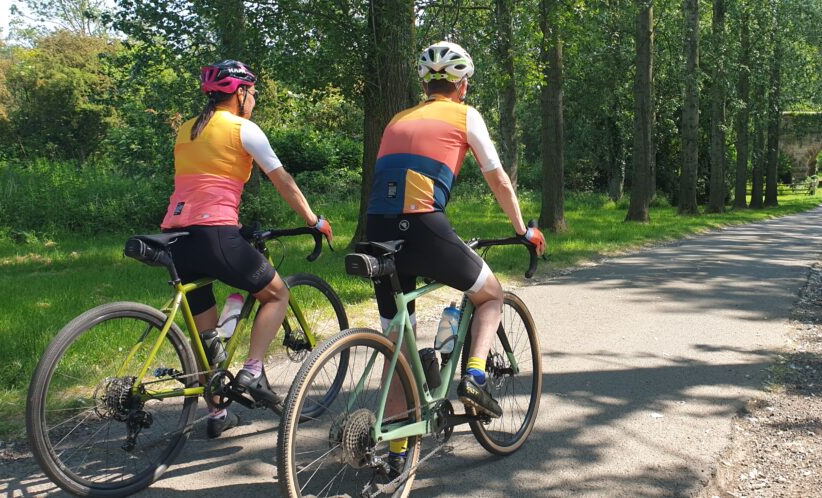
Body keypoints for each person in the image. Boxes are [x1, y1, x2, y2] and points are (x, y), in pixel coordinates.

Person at [365, 41, 546, 473]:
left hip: (377, 229)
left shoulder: (396, 119)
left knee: (396, 344)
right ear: (462, 86)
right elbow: (498, 178)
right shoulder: (466, 115)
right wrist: (523, 230)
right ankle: (476, 376)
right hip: (424, 225)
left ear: (425, 83)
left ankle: (395, 453)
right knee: (491, 295)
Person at [160, 60, 333, 438]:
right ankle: (253, 372)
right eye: (252, 92)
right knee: (276, 293)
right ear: (239, 93)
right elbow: (282, 180)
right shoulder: (244, 129)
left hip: (177, 238)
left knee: (206, 337)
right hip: (215, 234)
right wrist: (313, 220)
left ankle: (217, 414)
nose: (253, 99)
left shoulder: (187, 129)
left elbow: (202, 182)